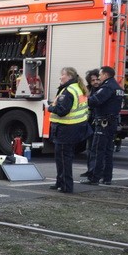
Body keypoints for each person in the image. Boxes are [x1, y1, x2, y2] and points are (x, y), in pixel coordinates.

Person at [46, 66, 90, 194]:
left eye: (62, 75)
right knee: (63, 158)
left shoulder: (68, 91)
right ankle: (60, 183)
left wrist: (49, 108)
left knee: (63, 159)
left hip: (66, 129)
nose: (60, 77)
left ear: (69, 77)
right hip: (74, 128)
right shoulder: (77, 88)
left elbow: (62, 111)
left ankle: (66, 186)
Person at [83, 66, 123, 186]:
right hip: (112, 121)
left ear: (105, 75)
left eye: (100, 75)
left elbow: (94, 101)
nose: (99, 78)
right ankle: (107, 178)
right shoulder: (117, 87)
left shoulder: (107, 87)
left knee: (97, 150)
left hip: (104, 123)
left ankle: (94, 178)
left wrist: (84, 100)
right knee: (108, 151)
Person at [80, 69, 101, 178]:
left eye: (97, 79)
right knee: (90, 148)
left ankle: (94, 171)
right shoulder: (88, 90)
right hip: (89, 122)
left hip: (97, 122)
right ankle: (90, 170)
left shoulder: (102, 90)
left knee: (95, 148)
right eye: (93, 80)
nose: (96, 82)